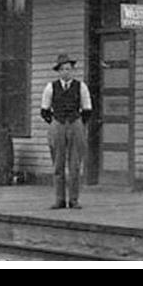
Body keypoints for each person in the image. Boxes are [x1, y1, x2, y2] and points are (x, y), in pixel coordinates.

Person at [40, 53, 92, 209]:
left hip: (76, 124)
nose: (66, 72)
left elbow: (87, 109)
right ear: (58, 71)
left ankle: (74, 199)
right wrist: (56, 122)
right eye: (62, 69)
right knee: (58, 164)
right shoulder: (51, 87)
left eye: (68, 69)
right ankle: (59, 199)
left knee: (75, 164)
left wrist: (77, 123)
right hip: (58, 124)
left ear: (73, 70)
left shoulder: (81, 86)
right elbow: (44, 110)